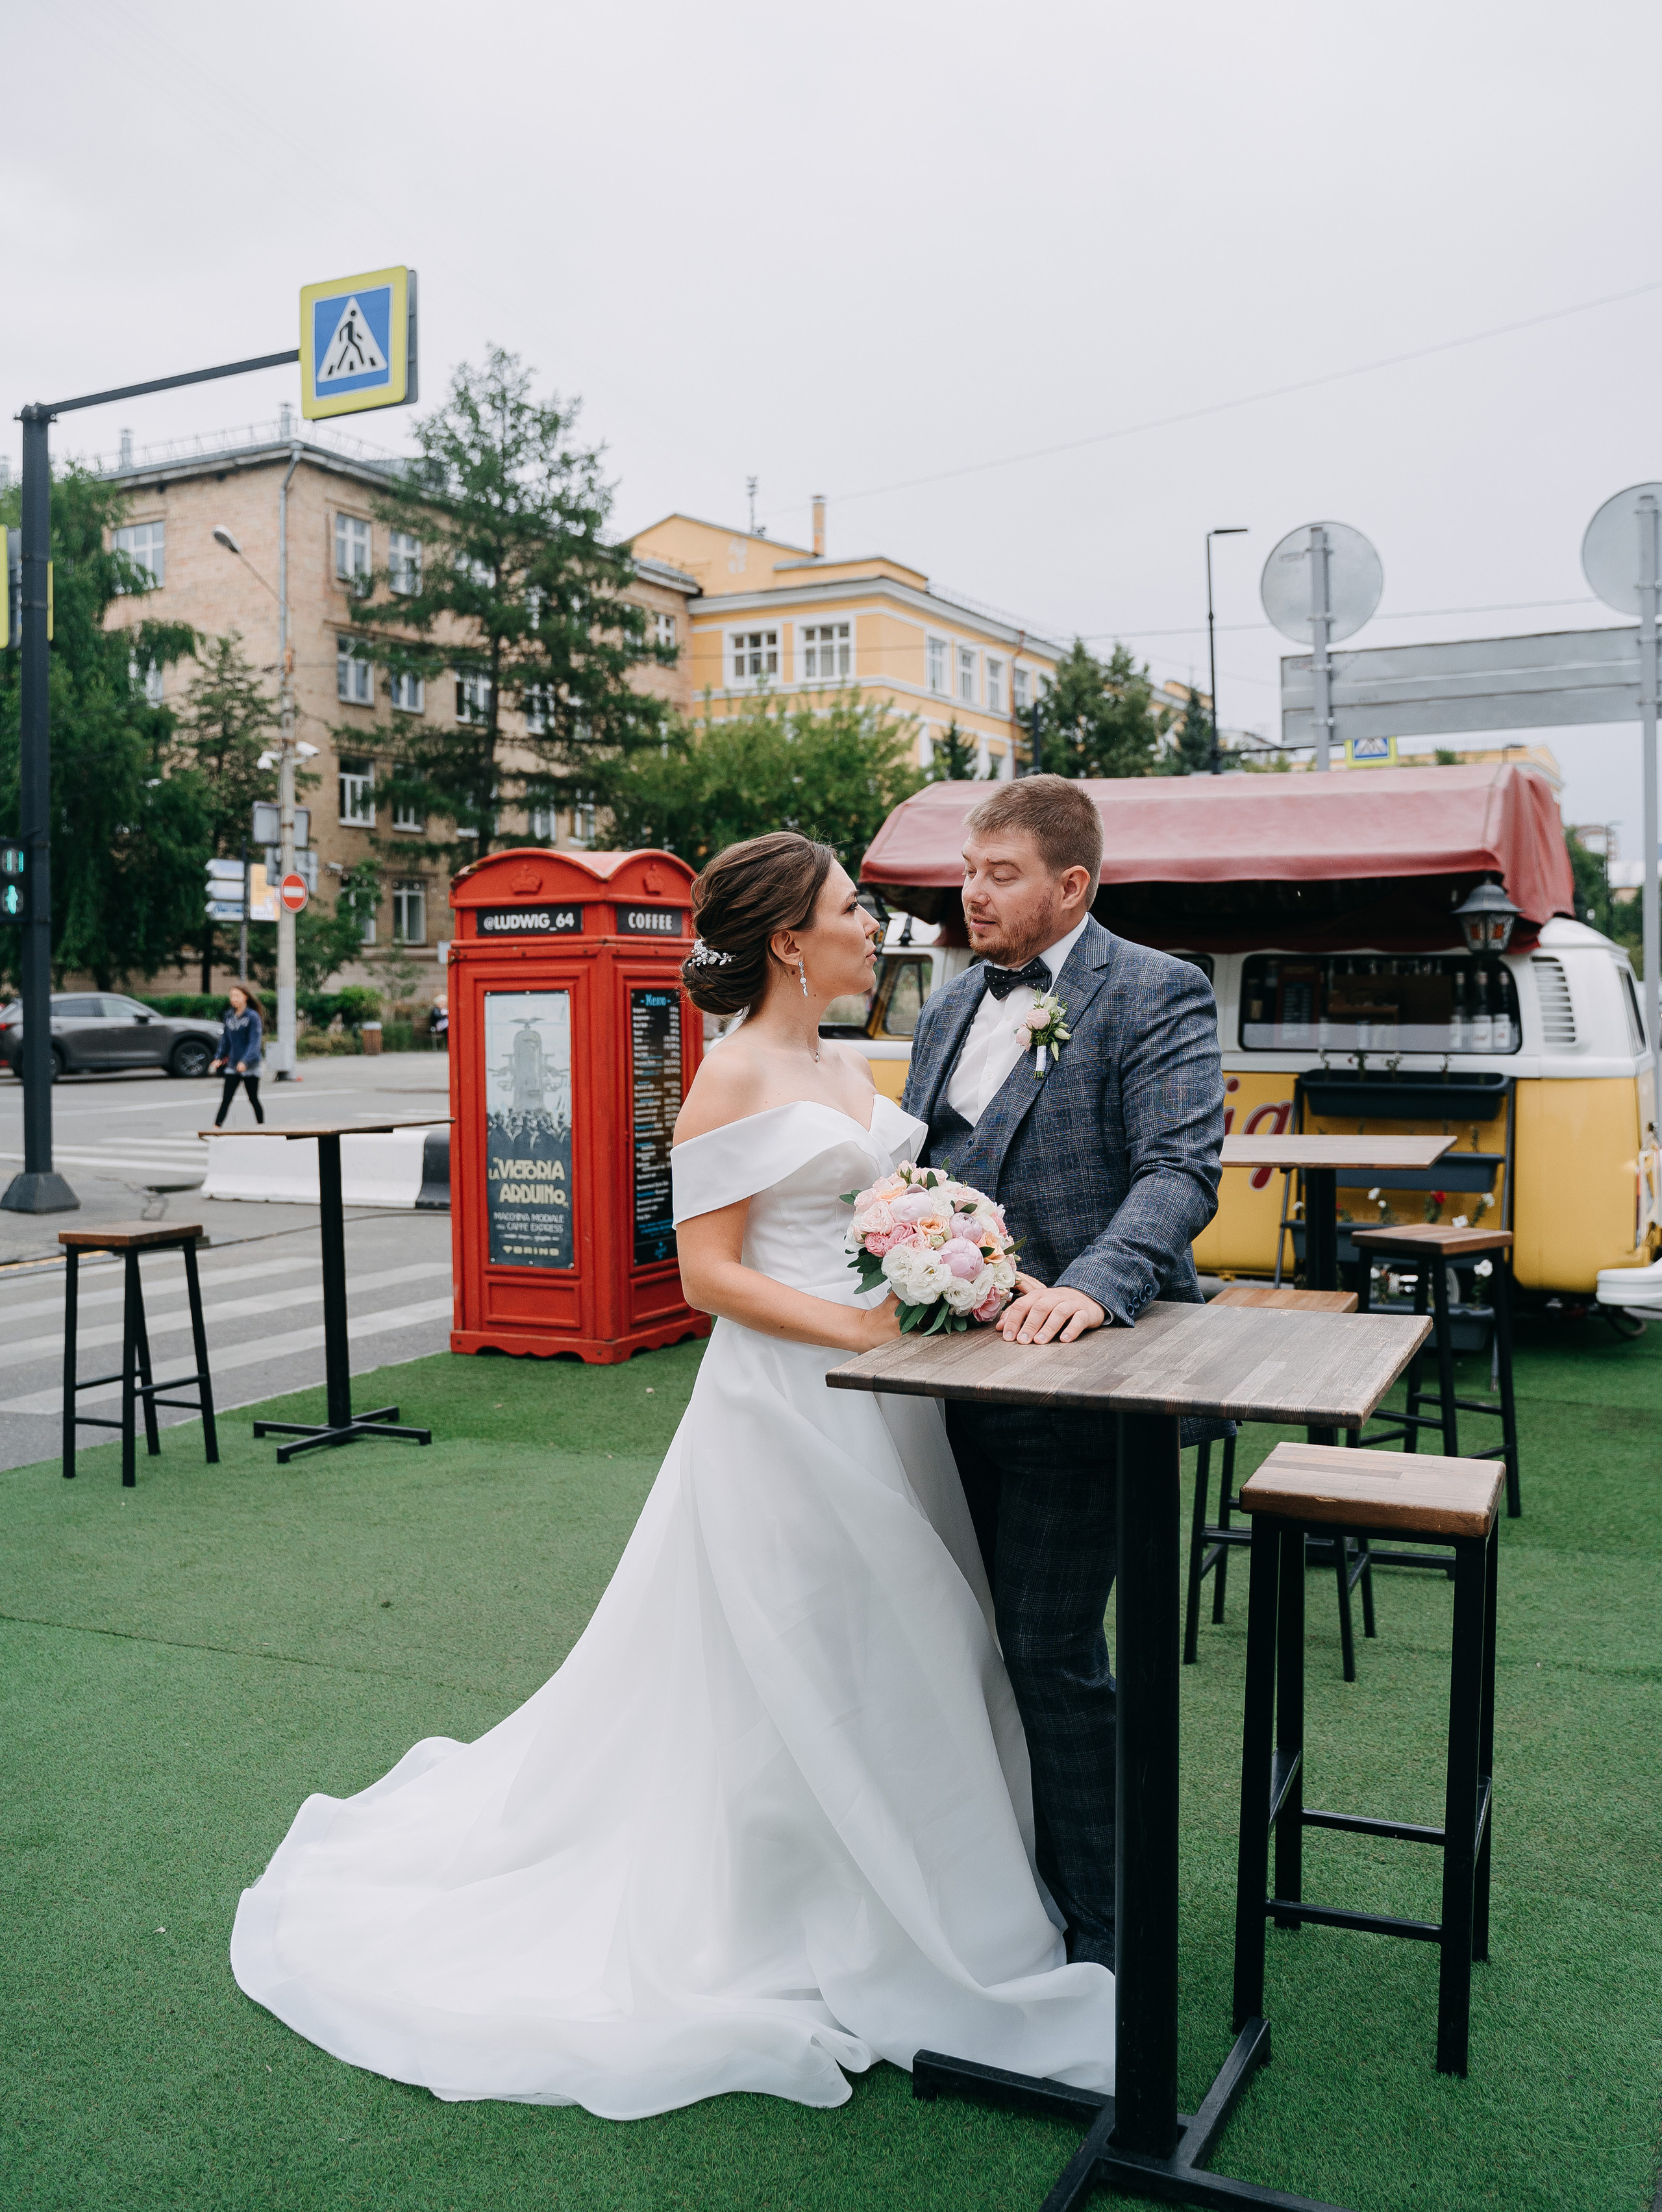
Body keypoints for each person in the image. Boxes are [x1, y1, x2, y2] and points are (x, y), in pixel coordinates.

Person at [229, 830, 1112, 2116]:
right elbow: (707, 1275)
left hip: (891, 1406)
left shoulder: (844, 1059)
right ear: (789, 942)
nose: (872, 927)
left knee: (901, 1645)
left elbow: (887, 1212)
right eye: (851, 909)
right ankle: (794, 1902)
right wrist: (861, 1326)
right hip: (790, 1408)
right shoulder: (730, 1074)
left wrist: (959, 1268)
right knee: (808, 1653)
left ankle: (926, 1881)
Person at [901, 775, 1224, 1974]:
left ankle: (1109, 1928)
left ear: (1072, 885)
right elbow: (923, 1167)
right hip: (940, 1380)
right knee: (959, 1640)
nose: (973, 894)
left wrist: (1094, 1284)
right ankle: (1002, 1895)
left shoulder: (1156, 988)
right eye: (968, 871)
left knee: (1047, 1646)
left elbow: (1180, 1169)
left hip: (1086, 1383)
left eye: (1002, 875)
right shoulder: (947, 1004)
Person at [212, 986, 265, 1125]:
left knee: (253, 1099)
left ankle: (262, 1127)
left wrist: (245, 1061)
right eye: (232, 996)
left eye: (237, 996)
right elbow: (225, 1040)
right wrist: (219, 1057)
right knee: (226, 1099)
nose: (234, 999)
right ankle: (216, 1127)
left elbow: (254, 1042)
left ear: (245, 997)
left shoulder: (253, 1017)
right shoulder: (229, 1016)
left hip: (250, 1065)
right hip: (233, 1064)